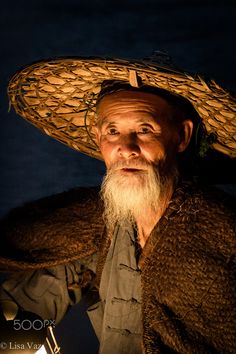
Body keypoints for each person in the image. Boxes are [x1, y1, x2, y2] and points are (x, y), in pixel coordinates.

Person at [0, 53, 235, 354]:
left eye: (144, 129)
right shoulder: (102, 226)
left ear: (181, 136)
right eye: (113, 131)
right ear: (98, 138)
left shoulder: (223, 234)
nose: (126, 148)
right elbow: (50, 282)